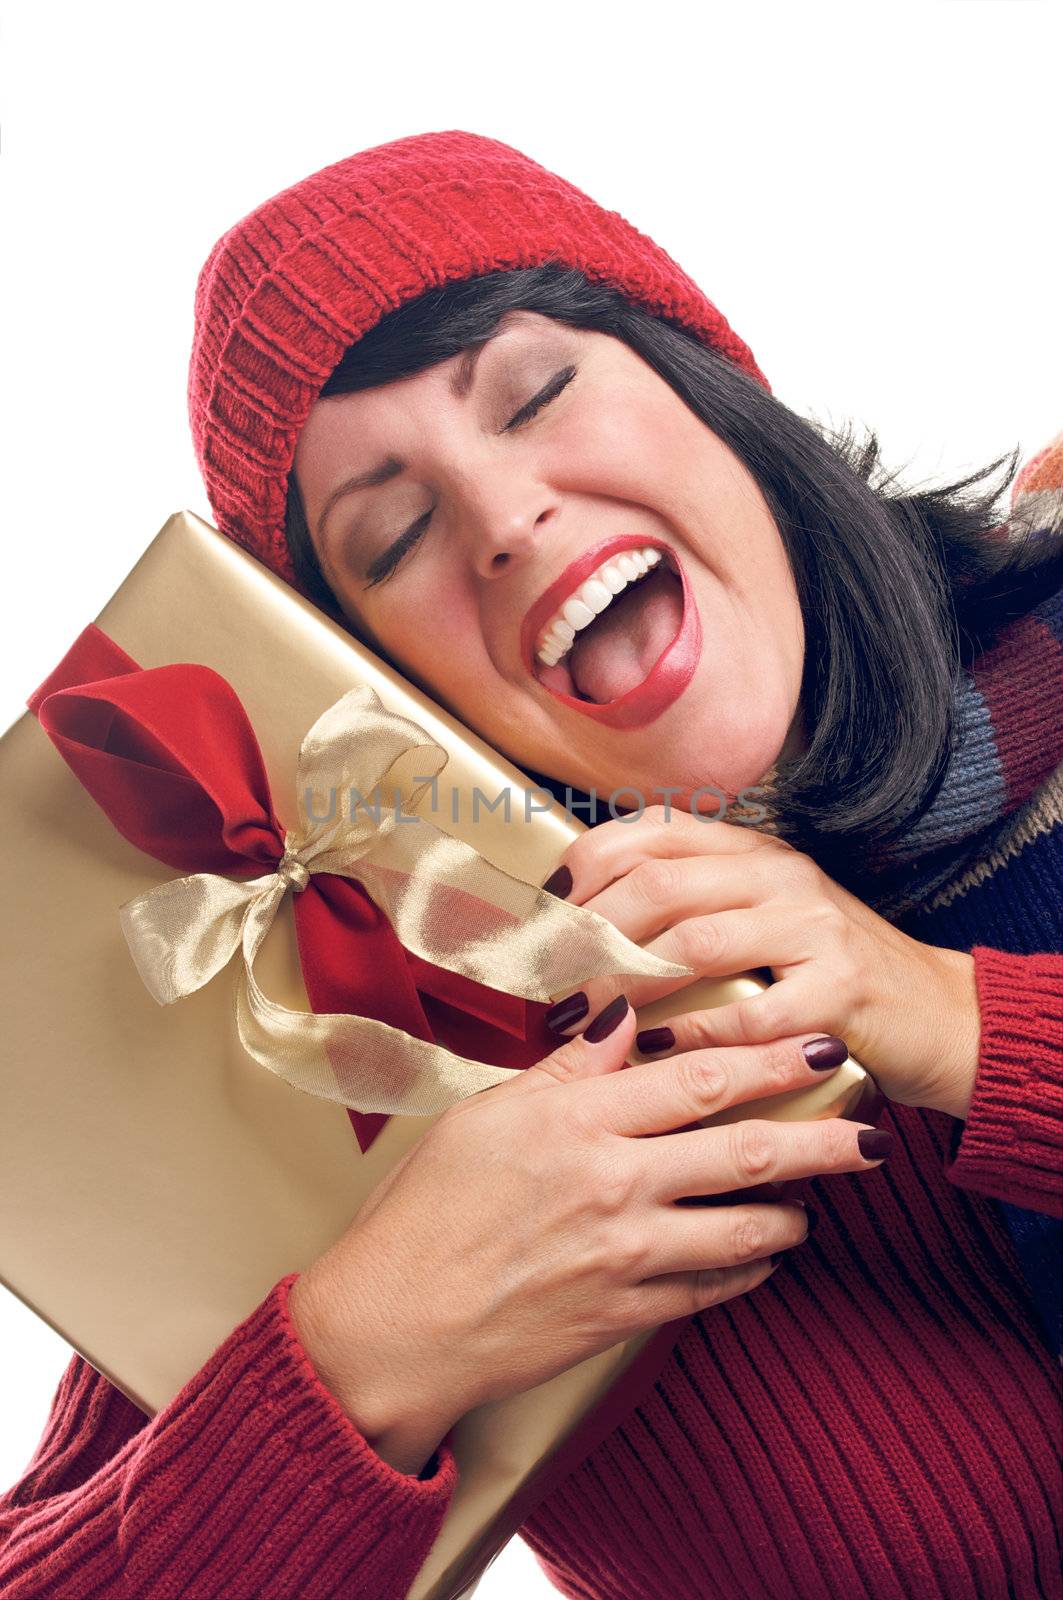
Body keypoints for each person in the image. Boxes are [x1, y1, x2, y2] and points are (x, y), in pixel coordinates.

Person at [2, 129, 1060, 1600]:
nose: (504, 523)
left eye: (539, 391)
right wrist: (362, 1356)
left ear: (710, 382)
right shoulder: (384, 1045)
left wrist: (953, 1018)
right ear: (384, 684)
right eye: (398, 532)